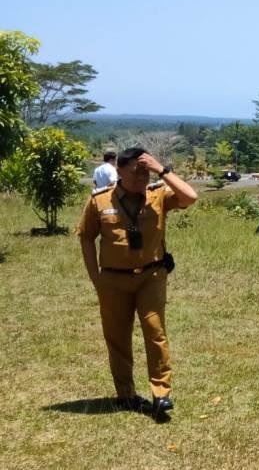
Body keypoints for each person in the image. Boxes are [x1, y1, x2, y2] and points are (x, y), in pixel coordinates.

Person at [76, 147, 198, 420]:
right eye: (136, 172)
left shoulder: (158, 195)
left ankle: (161, 393)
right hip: (113, 279)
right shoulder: (99, 200)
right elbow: (86, 237)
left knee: (155, 331)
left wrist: (162, 170)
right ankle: (125, 394)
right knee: (117, 337)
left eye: (146, 172)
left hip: (150, 276)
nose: (142, 178)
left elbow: (190, 197)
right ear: (118, 170)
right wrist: (96, 278)